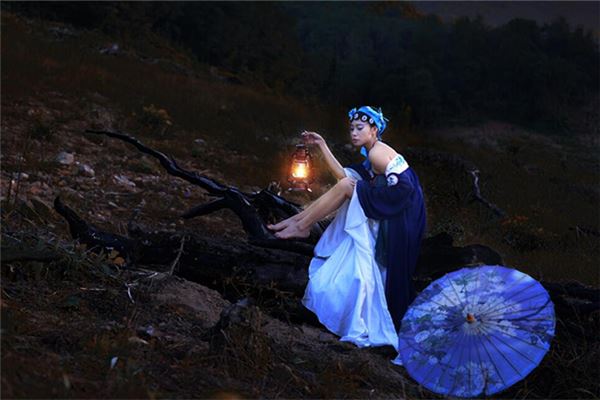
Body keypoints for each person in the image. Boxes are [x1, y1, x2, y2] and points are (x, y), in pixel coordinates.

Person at [267, 106, 426, 360]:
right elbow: (344, 176)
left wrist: (367, 195)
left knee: (346, 187)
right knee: (345, 184)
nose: (353, 133)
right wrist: (322, 145)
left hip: (402, 217)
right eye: (351, 128)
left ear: (374, 130)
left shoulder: (378, 153)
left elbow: (405, 189)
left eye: (360, 128)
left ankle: (301, 225)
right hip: (394, 205)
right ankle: (297, 222)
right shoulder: (371, 153)